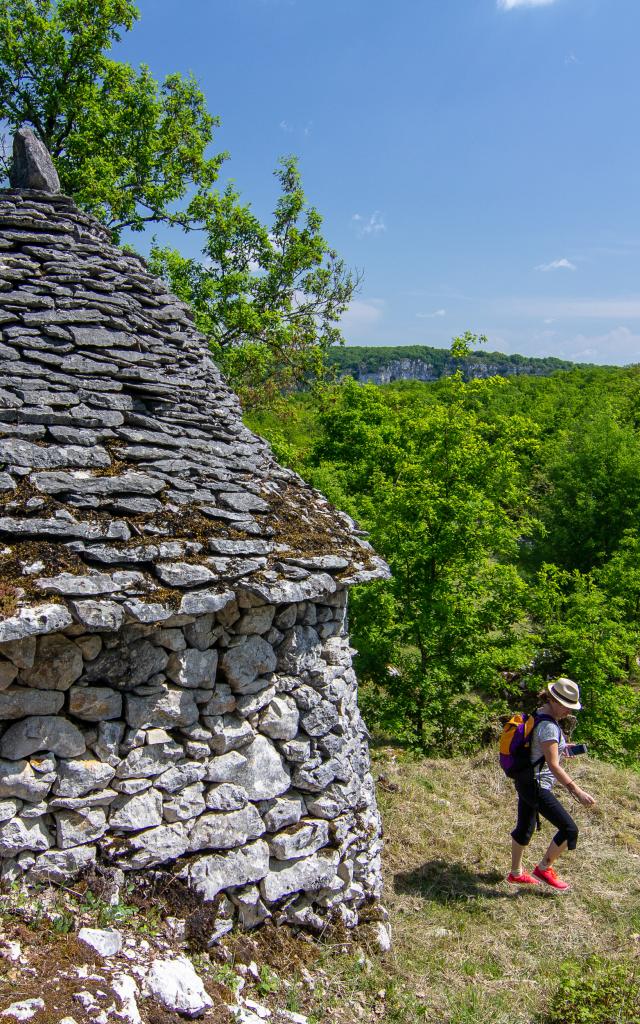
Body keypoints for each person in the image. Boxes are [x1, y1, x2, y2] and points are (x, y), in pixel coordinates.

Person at [507, 677, 596, 891]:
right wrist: (577, 792)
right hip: (536, 785)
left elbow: (542, 748)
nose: (569, 711)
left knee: (525, 828)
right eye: (567, 706)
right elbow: (554, 766)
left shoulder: (540, 714)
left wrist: (562, 747)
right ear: (555, 700)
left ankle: (516, 874)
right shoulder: (548, 726)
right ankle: (544, 869)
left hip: (526, 779)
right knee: (569, 829)